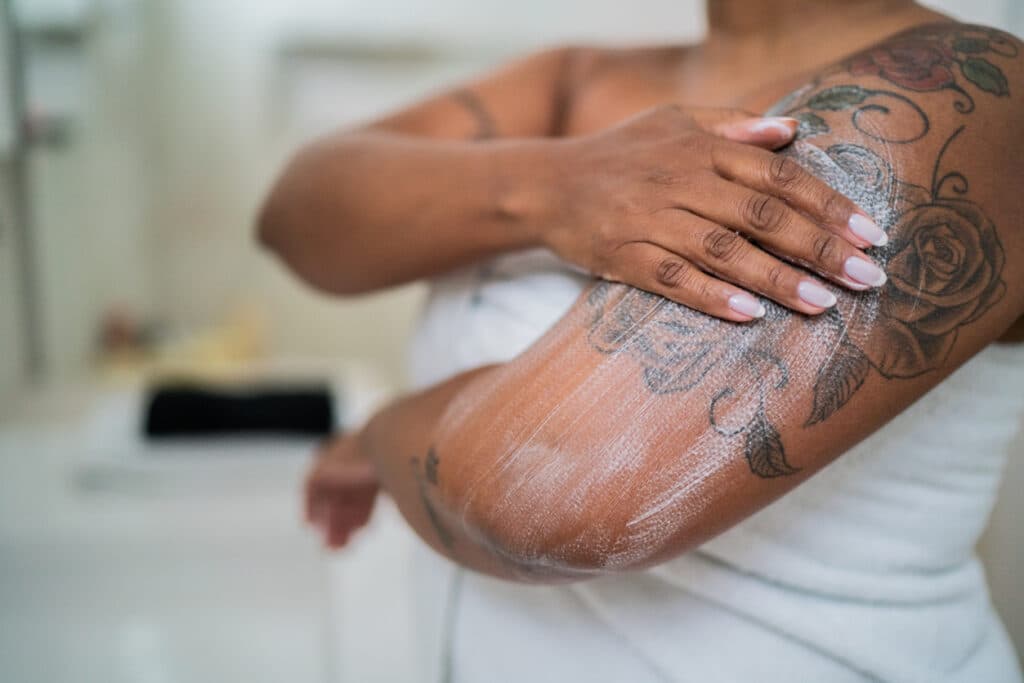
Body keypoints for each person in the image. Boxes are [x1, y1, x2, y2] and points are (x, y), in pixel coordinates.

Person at [259, 0, 1024, 680]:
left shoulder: (974, 90)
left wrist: (378, 434)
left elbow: (546, 492)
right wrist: (552, 186)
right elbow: (298, 214)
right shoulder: (577, 83)